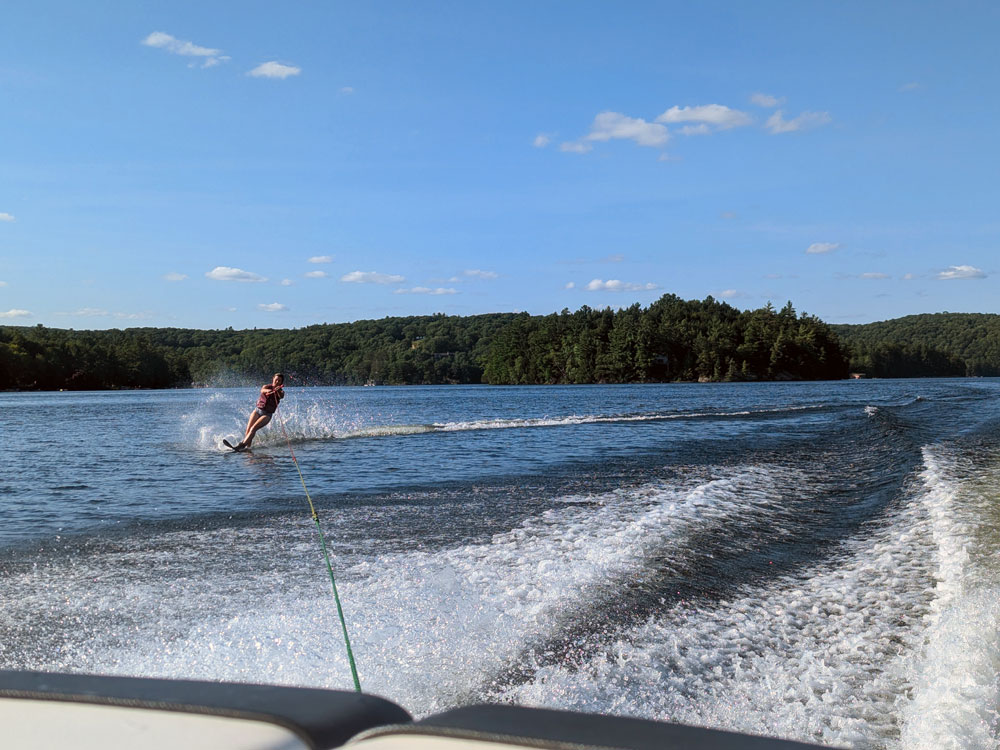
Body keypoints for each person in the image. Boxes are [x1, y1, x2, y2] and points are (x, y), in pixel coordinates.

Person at [232, 373, 284, 451]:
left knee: (254, 428)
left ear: (281, 383)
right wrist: (270, 390)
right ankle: (247, 448)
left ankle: (241, 445)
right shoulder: (266, 386)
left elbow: (281, 396)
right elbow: (263, 390)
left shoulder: (281, 391)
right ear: (273, 379)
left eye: (279, 381)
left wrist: (278, 391)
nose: (277, 381)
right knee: (248, 429)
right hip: (257, 411)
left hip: (267, 415)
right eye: (276, 379)